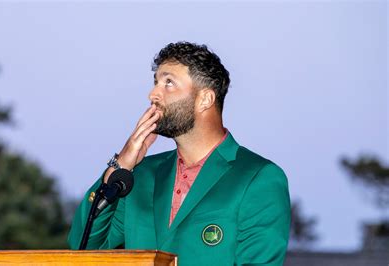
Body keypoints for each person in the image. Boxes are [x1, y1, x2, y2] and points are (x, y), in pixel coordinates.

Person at [68, 42, 291, 266]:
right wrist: (119, 166)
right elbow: (83, 248)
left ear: (205, 99)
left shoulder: (258, 178)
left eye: (168, 83)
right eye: (156, 82)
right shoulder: (139, 175)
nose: (153, 94)